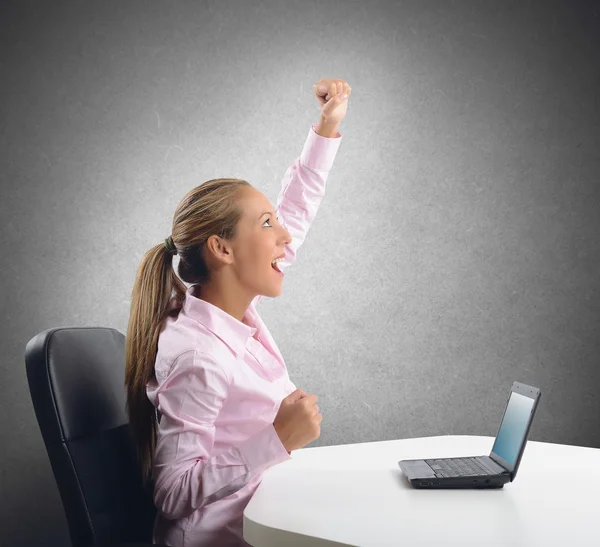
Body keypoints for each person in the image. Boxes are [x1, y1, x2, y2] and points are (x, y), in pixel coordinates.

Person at [124, 77, 352, 546]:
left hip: (261, 515)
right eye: (267, 224)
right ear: (222, 250)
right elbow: (173, 491)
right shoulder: (197, 355)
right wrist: (277, 439)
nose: (285, 237)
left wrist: (327, 130)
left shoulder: (228, 311)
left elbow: (296, 212)